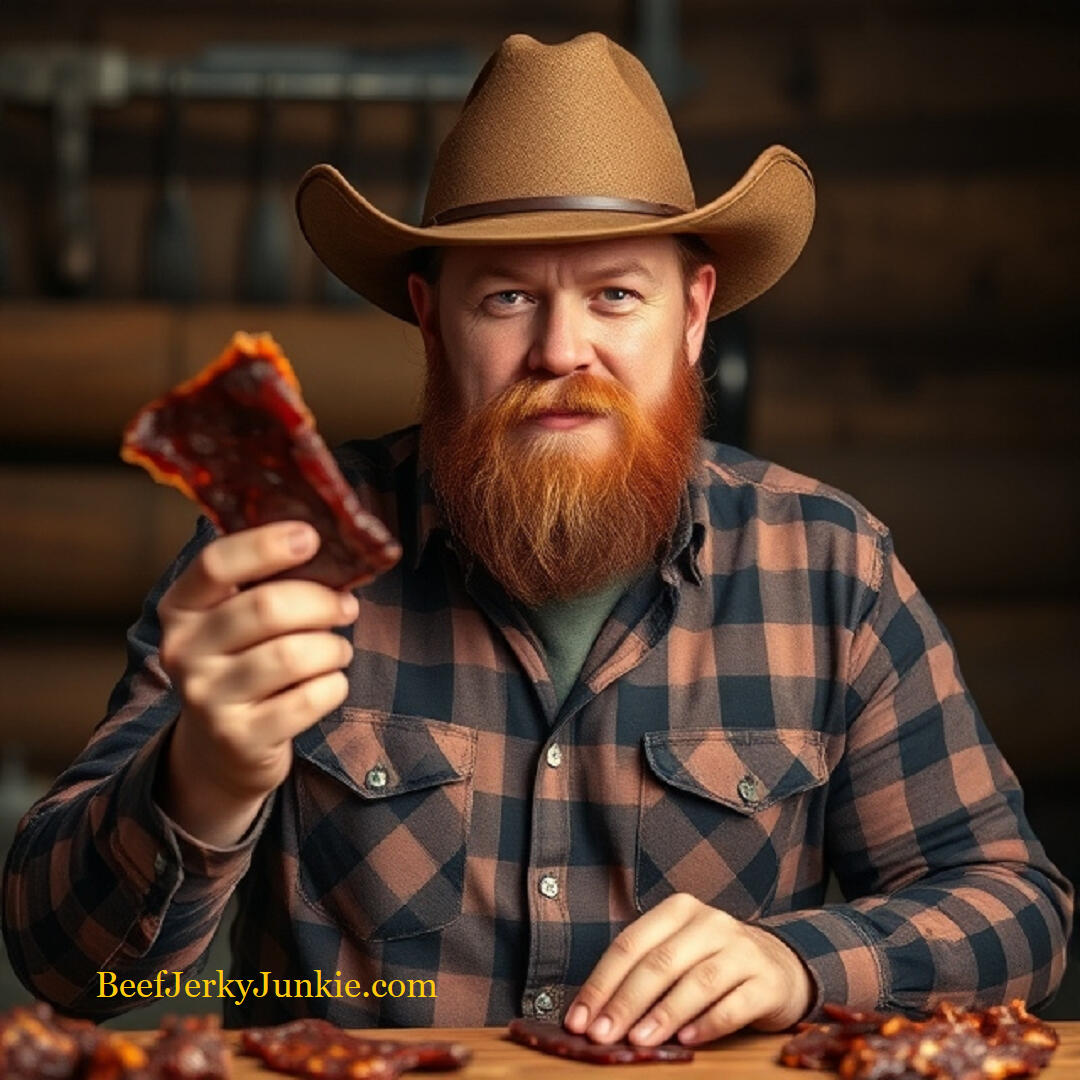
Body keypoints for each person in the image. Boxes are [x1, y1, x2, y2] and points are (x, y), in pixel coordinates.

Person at [3, 32, 1071, 1047]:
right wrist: (202, 777)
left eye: (616, 294)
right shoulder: (274, 559)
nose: (563, 350)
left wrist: (803, 966)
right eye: (509, 296)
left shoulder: (831, 568)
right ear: (431, 318)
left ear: (694, 313)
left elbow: (1020, 912)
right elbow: (74, 977)